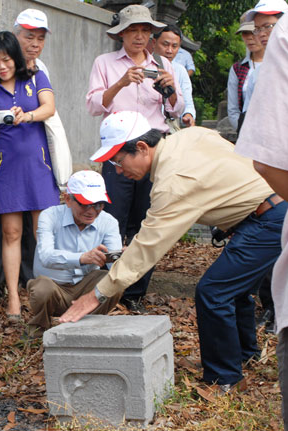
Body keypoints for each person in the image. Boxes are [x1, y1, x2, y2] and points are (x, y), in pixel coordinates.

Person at [60, 110, 287, 393]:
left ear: (142, 148)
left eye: (119, 161)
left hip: (267, 219)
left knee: (213, 292)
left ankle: (225, 379)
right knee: (234, 288)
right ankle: (244, 355)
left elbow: (146, 248)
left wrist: (96, 294)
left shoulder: (171, 182)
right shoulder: (190, 135)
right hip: (269, 208)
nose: (118, 171)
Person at [86, 4, 183, 312]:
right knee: (111, 218)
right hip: (118, 149)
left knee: (147, 223)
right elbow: (93, 105)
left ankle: (134, 294)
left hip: (153, 150)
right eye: (133, 30)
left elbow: (176, 110)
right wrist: (121, 82)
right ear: (121, 34)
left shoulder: (163, 63)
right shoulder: (106, 63)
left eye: (145, 30)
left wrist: (169, 90)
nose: (140, 36)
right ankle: (105, 290)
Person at [0, 31, 59, 322]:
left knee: (42, 233)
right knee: (11, 234)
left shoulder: (35, 79)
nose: (1, 66)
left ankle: (47, 295)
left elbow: (49, 107)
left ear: (16, 58)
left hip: (39, 167)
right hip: (8, 169)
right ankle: (13, 298)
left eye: (6, 59)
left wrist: (27, 115)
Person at [235, 12, 288, 428]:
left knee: (214, 288)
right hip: (264, 193)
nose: (263, 33)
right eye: (258, 27)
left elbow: (267, 164)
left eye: (271, 24)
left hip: (269, 204)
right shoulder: (247, 72)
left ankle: (228, 370)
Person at [26, 170, 123, 338]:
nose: (91, 211)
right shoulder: (49, 216)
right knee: (43, 288)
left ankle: (88, 328)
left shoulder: (109, 222)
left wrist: (123, 257)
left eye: (98, 204)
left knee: (116, 281)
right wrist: (81, 258)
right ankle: (39, 327)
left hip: (87, 285)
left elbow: (115, 266)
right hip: (54, 285)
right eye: (85, 204)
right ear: (68, 199)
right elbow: (46, 256)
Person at [227, 11, 265, 133]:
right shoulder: (238, 69)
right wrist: (245, 132)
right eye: (245, 33)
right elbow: (233, 110)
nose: (249, 37)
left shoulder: (280, 64)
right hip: (247, 133)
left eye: (254, 32)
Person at [153, 25, 196, 127]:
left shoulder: (180, 70)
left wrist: (188, 115)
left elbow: (187, 101)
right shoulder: (143, 65)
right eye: (165, 44)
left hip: (169, 124)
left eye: (174, 46)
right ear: (154, 43)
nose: (169, 50)